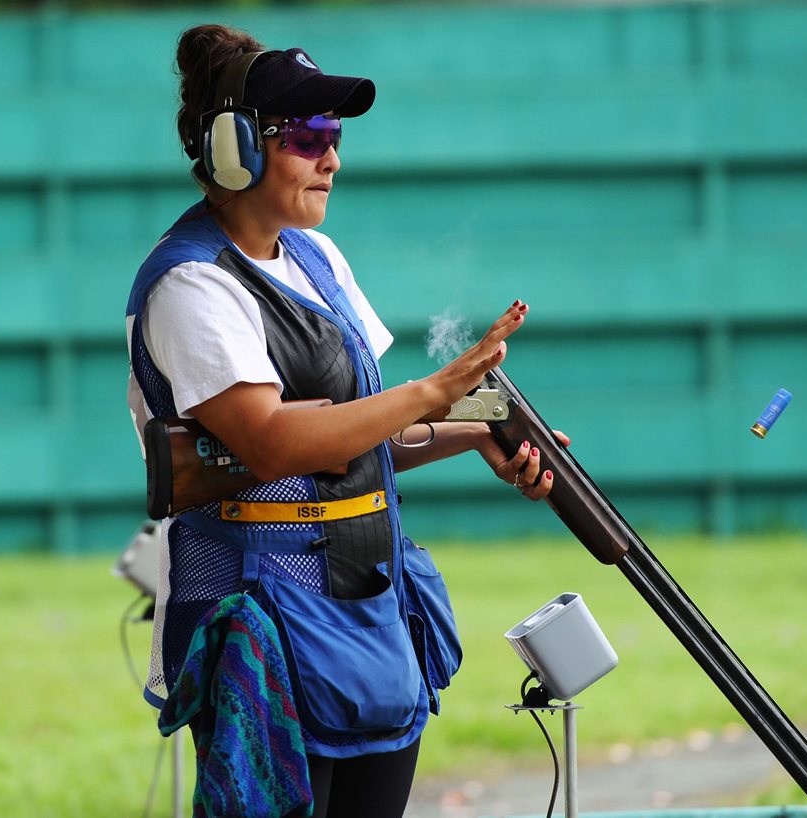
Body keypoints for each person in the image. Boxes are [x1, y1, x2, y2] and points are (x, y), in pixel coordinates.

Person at [125, 24, 565, 818]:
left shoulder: (315, 260)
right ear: (236, 150)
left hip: (366, 610)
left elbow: (358, 434)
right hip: (260, 627)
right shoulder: (190, 284)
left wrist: (480, 436)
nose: (332, 157)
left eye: (334, 136)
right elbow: (272, 443)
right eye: (308, 137)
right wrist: (436, 393)